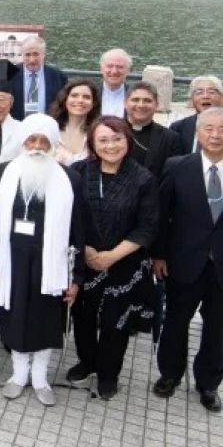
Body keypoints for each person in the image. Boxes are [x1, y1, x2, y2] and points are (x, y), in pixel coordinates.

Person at [0, 114, 86, 406]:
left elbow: (78, 230)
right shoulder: (2, 172)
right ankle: (18, 375)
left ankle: (41, 377)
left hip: (51, 265)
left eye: (44, 141)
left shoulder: (69, 178)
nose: (36, 146)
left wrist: (77, 277)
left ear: (52, 145)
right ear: (22, 142)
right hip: (13, 263)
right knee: (16, 317)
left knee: (45, 320)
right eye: (31, 140)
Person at [67, 116, 158, 400]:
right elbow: (68, 217)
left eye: (117, 138)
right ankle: (87, 361)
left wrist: (111, 256)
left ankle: (108, 374)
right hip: (86, 259)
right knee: (82, 315)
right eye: (103, 140)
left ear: (127, 140)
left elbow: (147, 226)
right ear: (93, 143)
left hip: (124, 262)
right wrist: (88, 251)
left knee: (114, 321)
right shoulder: (78, 171)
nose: (111, 145)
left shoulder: (143, 177)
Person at [153, 106, 223, 413]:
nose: (216, 135)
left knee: (219, 328)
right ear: (198, 132)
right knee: (175, 321)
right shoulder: (177, 166)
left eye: (222, 129)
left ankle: (208, 383)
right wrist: (158, 254)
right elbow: (162, 215)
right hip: (183, 260)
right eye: (209, 128)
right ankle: (170, 374)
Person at [127, 81, 182, 177]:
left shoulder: (171, 138)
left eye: (147, 100)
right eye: (135, 100)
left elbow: (173, 175)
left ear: (156, 104)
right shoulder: (111, 132)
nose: (141, 105)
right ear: (125, 103)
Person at [8, 36, 67, 121]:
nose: (32, 60)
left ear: (43, 54)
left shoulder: (58, 76)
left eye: (36, 54)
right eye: (27, 55)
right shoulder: (10, 75)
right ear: (22, 55)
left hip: (47, 127)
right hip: (17, 126)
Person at [49, 78, 100, 166]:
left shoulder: (98, 132)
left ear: (93, 103)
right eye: (74, 95)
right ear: (65, 99)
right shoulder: (50, 129)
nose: (80, 100)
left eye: (86, 97)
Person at [170, 75, 223, 154]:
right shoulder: (178, 128)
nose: (205, 96)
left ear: (222, 99)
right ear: (191, 100)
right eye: (199, 92)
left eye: (211, 92)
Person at [99, 48, 131, 117]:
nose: (114, 71)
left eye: (120, 67)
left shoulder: (134, 94)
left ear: (128, 70)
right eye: (109, 66)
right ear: (101, 69)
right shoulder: (91, 92)